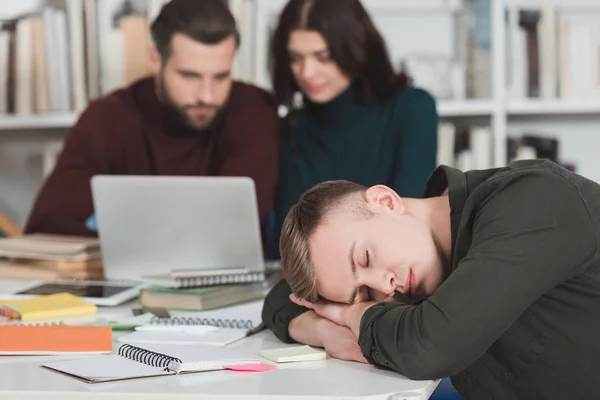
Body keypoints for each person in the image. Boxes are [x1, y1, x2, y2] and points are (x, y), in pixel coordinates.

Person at [263, 159, 600, 400]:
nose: (384, 286)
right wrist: (322, 331)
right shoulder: (419, 260)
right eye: (364, 293)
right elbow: (281, 296)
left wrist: (353, 314)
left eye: (364, 258)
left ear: (385, 201)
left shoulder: (532, 199)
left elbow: (432, 345)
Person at [25, 0, 278, 242]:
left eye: (221, 77)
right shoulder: (107, 118)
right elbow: (47, 226)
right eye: (190, 76)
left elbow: (234, 223)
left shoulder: (253, 109)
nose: (206, 96)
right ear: (155, 60)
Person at [269, 0, 438, 255]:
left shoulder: (412, 108)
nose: (307, 72)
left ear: (355, 48)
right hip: (305, 280)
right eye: (295, 58)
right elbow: (288, 238)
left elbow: (402, 220)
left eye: (323, 57)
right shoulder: (288, 128)